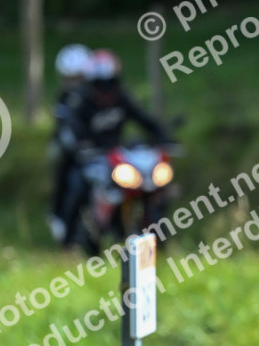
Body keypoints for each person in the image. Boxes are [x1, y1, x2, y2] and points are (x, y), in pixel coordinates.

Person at [52, 50, 171, 247]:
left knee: (155, 185)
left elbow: (143, 118)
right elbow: (71, 128)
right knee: (77, 186)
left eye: (110, 82)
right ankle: (69, 239)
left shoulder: (121, 96)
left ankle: (149, 236)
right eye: (100, 84)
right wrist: (82, 147)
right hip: (87, 158)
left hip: (116, 157)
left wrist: (164, 137)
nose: (106, 89)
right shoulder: (79, 100)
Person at [46, 44, 91, 243]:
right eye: (70, 79)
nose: (74, 84)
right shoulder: (64, 99)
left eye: (78, 78)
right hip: (71, 150)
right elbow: (63, 129)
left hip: (95, 151)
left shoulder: (96, 97)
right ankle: (60, 217)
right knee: (63, 168)